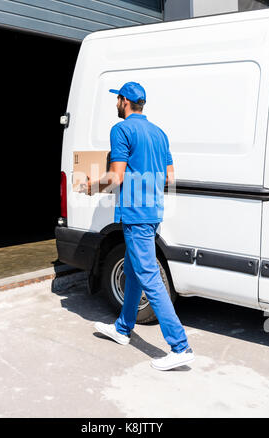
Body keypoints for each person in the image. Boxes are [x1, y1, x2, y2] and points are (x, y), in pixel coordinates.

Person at [86, 82, 194, 370]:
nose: (116, 104)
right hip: (153, 211)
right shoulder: (159, 134)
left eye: (117, 99)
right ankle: (123, 328)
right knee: (134, 271)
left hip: (135, 214)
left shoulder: (121, 130)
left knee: (148, 276)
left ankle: (180, 346)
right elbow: (170, 177)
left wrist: (90, 186)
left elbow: (116, 176)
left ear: (124, 101)